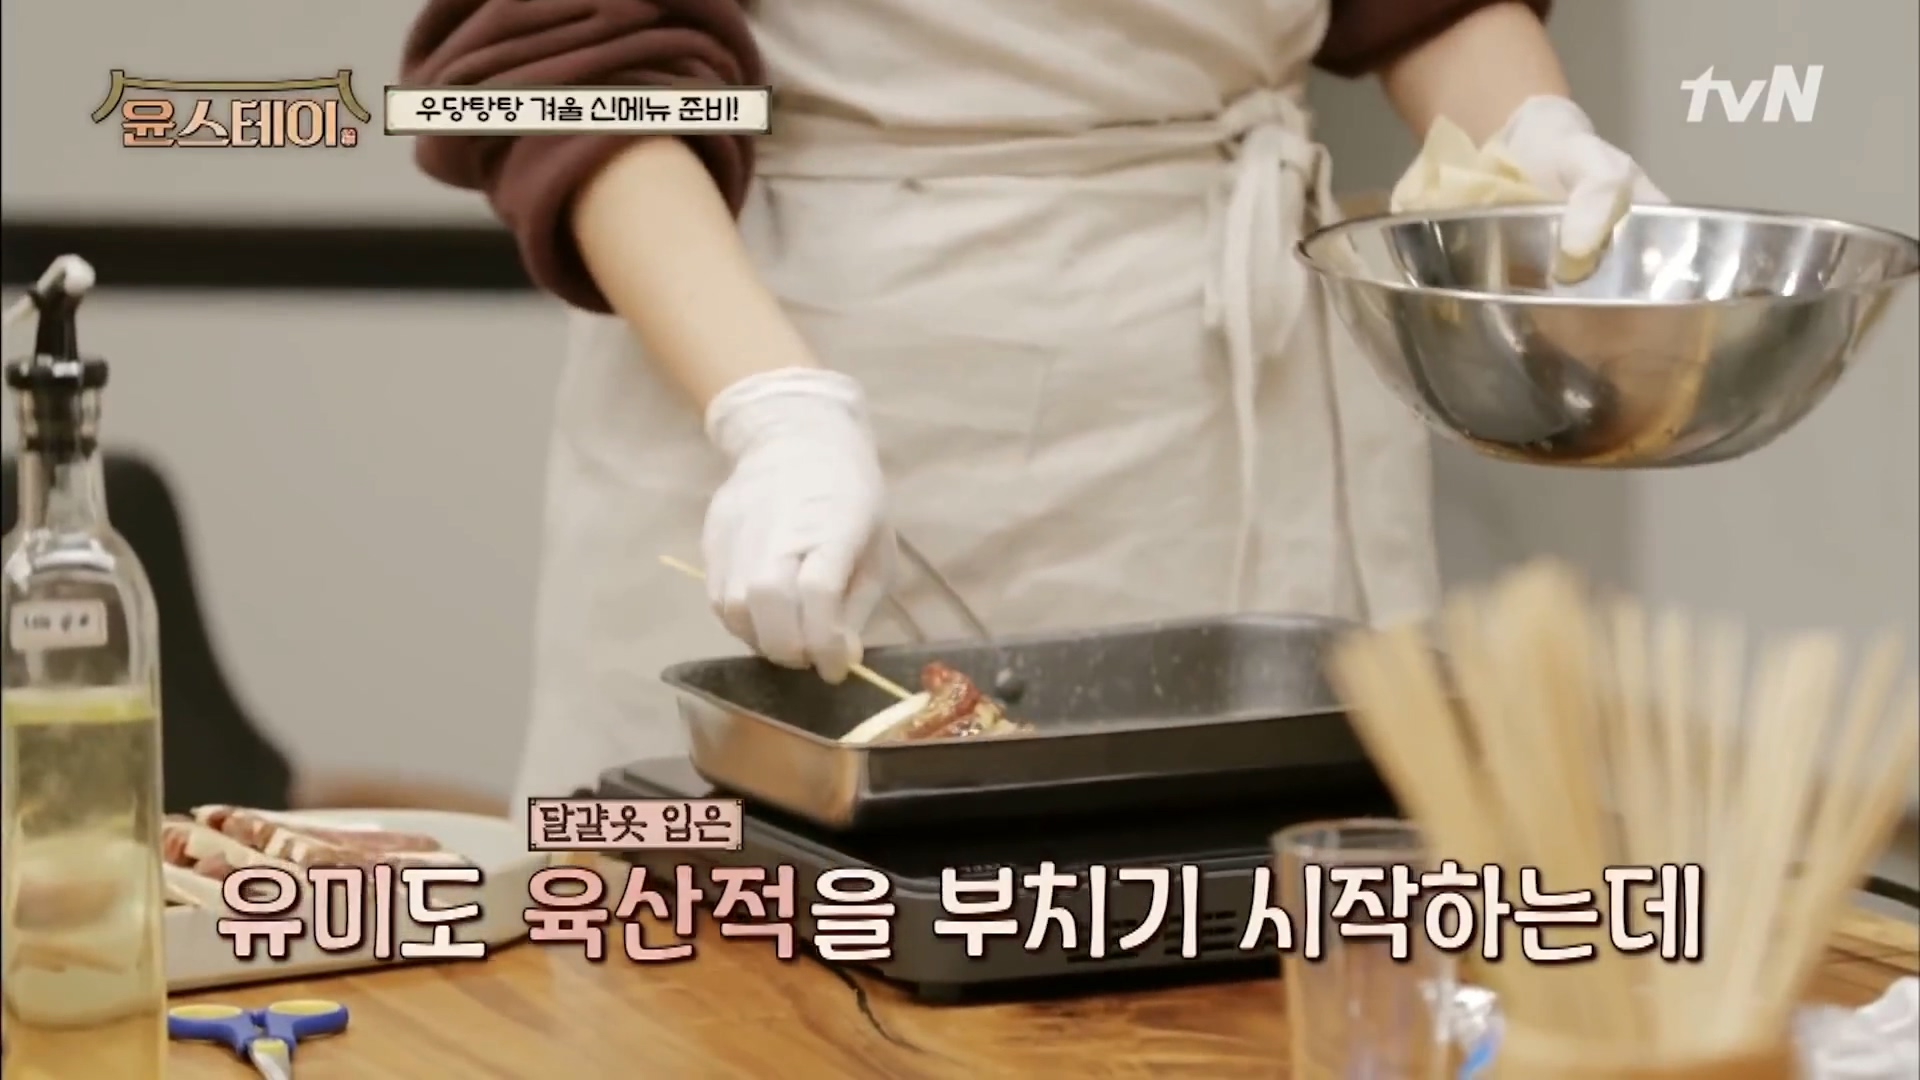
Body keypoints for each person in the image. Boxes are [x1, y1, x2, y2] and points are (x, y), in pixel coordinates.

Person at [403, 0, 1662, 804]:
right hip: (787, 360)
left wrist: (1526, 135)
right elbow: (562, 63)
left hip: (1224, 407)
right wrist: (774, 411)